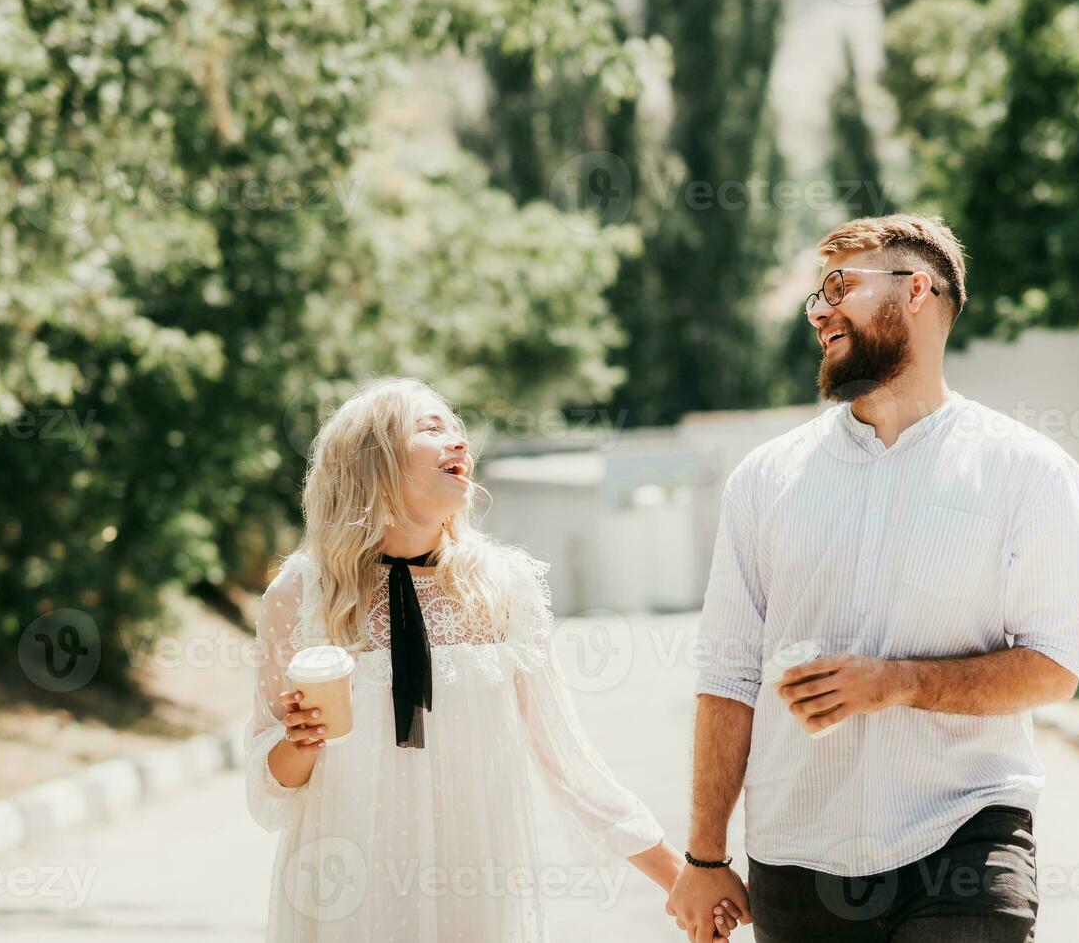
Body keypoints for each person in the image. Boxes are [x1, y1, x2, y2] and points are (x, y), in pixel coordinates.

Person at [665, 214, 1079, 942]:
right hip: (798, 855)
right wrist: (704, 855)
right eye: (815, 297)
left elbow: (1052, 667)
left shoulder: (1027, 471)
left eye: (840, 287)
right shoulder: (764, 480)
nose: (821, 311)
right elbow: (730, 674)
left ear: (916, 289)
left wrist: (895, 683)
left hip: (965, 837)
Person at [242, 377, 744, 941]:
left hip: (474, 892)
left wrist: (685, 880)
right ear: (372, 460)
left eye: (458, 430)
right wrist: (298, 743)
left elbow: (569, 762)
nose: (459, 442)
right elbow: (269, 788)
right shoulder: (302, 594)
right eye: (432, 429)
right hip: (346, 894)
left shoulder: (503, 586)